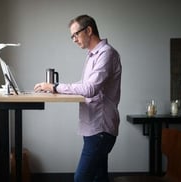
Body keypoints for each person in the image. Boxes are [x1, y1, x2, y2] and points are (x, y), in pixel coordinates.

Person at [34, 14, 121, 182]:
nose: (73, 39)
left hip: (100, 128)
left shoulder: (106, 54)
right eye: (71, 36)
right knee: (99, 177)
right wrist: (55, 90)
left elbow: (89, 89)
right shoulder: (92, 55)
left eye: (75, 34)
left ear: (88, 30)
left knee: (81, 178)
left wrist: (55, 87)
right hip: (93, 127)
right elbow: (84, 85)